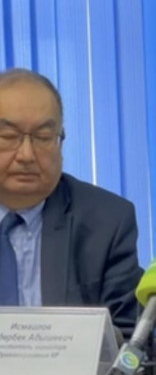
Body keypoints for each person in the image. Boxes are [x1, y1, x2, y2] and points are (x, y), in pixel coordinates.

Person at [0, 68, 143, 339]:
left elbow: (130, 336)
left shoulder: (106, 221)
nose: (27, 155)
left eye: (43, 138)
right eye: (8, 136)